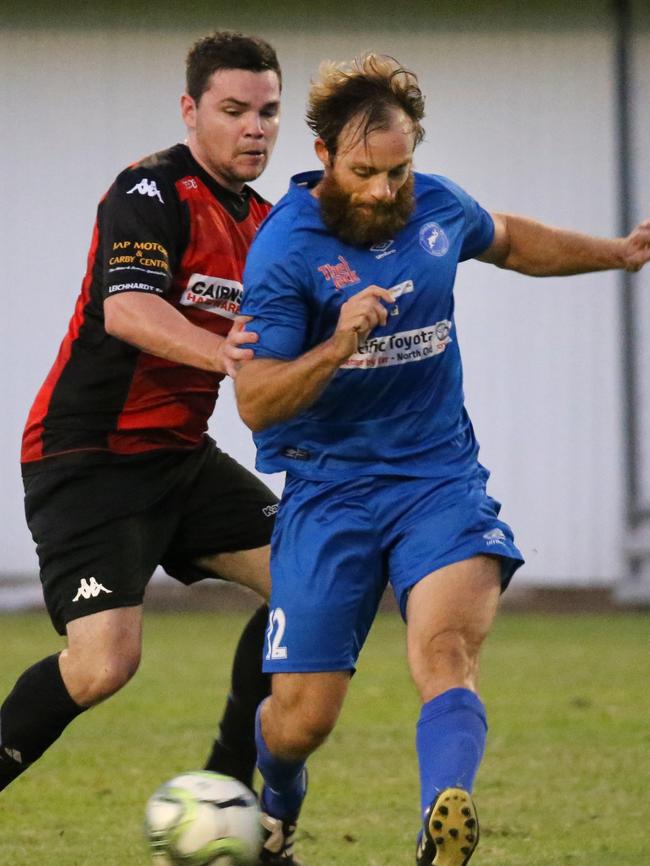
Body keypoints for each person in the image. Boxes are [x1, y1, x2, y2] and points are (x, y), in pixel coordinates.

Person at [231, 54, 650, 865]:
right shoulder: (285, 252)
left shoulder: (434, 204)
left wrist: (620, 253)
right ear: (322, 157)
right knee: (302, 718)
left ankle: (441, 821)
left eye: (400, 169)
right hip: (329, 489)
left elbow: (511, 240)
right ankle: (276, 802)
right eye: (365, 173)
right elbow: (256, 399)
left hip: (438, 480)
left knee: (446, 653)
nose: (387, 191)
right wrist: (338, 343)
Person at [0, 30, 290, 865]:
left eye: (267, 111)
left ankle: (232, 799)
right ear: (191, 110)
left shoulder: (268, 223)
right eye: (234, 110)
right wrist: (227, 352)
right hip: (86, 457)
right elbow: (128, 312)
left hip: (179, 458)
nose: (253, 129)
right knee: (102, 665)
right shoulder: (150, 191)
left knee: (310, 580)